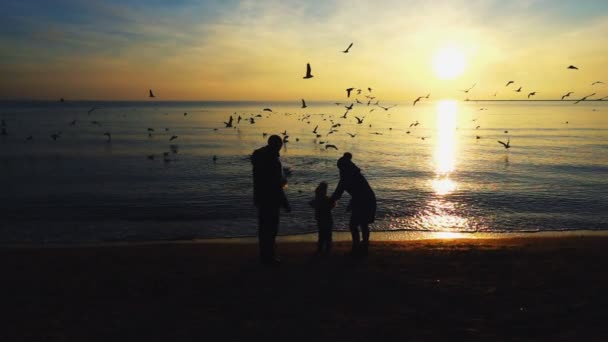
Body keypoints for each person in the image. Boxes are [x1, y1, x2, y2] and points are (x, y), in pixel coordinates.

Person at [251, 135, 291, 265]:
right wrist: (285, 203)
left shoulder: (259, 157)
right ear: (276, 145)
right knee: (271, 229)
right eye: (279, 145)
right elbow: (275, 184)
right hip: (271, 199)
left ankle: (264, 255)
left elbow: (262, 179)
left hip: (260, 196)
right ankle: (269, 258)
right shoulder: (272, 161)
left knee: (263, 228)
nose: (280, 148)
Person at [330, 152, 376, 257]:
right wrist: (352, 203)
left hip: (363, 200)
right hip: (368, 199)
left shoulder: (346, 177)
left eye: (340, 168)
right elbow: (357, 192)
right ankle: (364, 244)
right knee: (363, 224)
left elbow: (337, 194)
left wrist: (327, 202)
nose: (340, 170)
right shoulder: (356, 174)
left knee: (354, 225)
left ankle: (357, 245)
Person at [309, 181, 335, 255]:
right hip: (327, 218)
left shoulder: (318, 199)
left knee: (322, 234)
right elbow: (333, 205)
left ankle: (321, 248)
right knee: (328, 234)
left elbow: (311, 204)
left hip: (320, 218)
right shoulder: (327, 199)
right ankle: (327, 248)